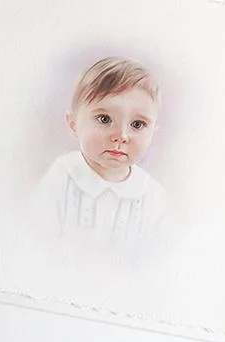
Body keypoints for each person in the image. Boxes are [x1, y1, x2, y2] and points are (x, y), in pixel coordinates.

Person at [31, 57, 166, 242]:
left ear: (152, 133)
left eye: (137, 124)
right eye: (104, 119)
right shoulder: (62, 176)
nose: (121, 136)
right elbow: (34, 235)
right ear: (73, 124)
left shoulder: (152, 196)